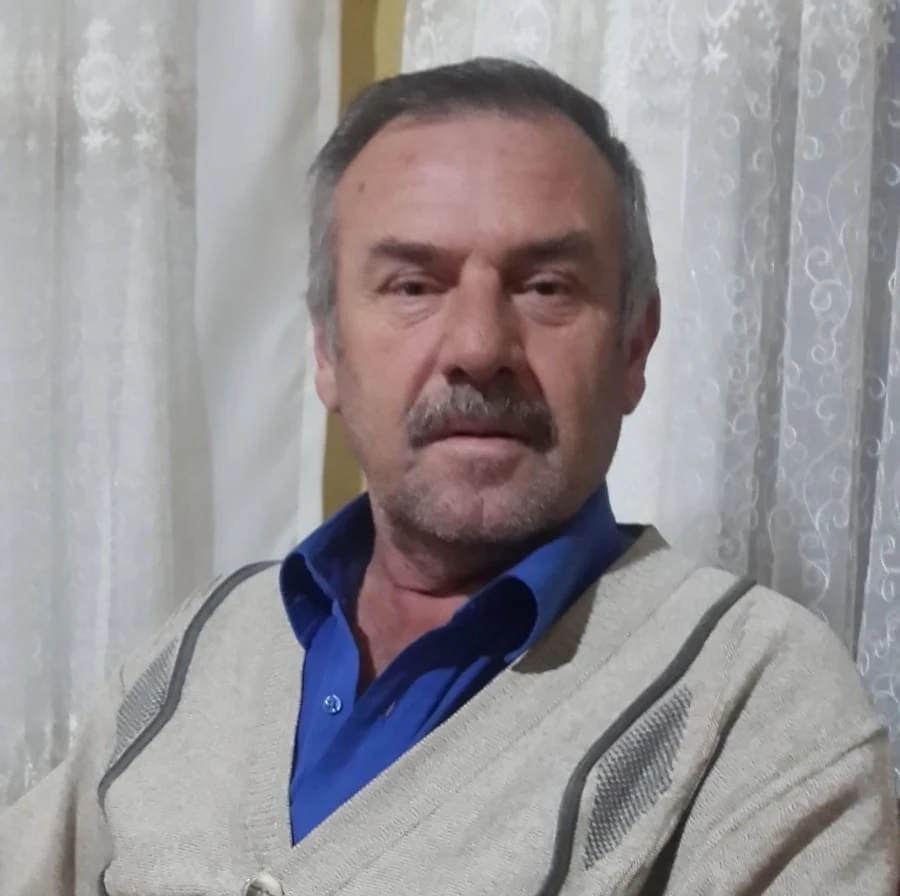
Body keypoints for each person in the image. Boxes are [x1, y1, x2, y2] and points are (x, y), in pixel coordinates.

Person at [1, 57, 897, 896]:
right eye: (412, 286)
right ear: (326, 351)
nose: (477, 346)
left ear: (633, 346)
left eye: (546, 286)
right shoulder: (194, 653)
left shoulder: (760, 707)